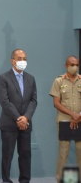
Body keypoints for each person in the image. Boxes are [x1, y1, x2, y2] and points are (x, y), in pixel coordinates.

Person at [0, 49, 37, 183]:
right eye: (19, 58)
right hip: (9, 123)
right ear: (12, 61)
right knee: (7, 155)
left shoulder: (30, 78)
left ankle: (25, 180)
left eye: (24, 58)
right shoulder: (3, 78)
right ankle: (6, 180)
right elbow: (4, 101)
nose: (22, 61)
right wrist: (18, 118)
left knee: (25, 154)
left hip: (26, 124)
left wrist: (25, 117)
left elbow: (33, 100)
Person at [49, 55, 81, 183]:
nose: (75, 67)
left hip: (80, 120)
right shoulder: (59, 81)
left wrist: (77, 115)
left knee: (80, 152)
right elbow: (56, 103)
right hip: (64, 122)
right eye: (72, 65)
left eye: (77, 65)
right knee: (63, 153)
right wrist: (72, 115)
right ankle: (61, 180)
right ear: (66, 65)